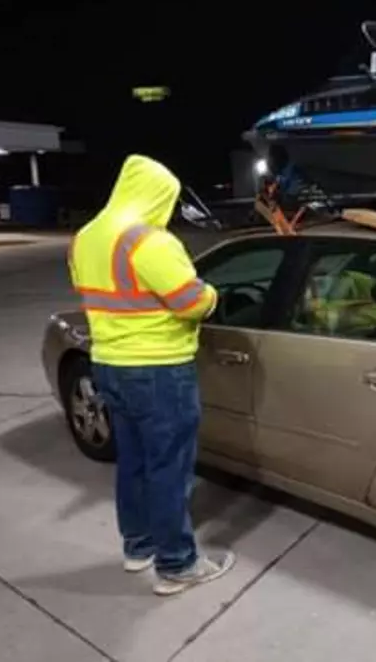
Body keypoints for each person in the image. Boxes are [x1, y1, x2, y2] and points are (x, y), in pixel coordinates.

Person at [68, 154, 235, 596]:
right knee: (169, 467)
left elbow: (93, 292)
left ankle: (138, 547)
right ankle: (177, 565)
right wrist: (213, 293)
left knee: (135, 463)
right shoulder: (149, 241)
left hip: (109, 364)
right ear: (157, 195)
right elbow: (190, 301)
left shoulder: (86, 237)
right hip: (158, 368)